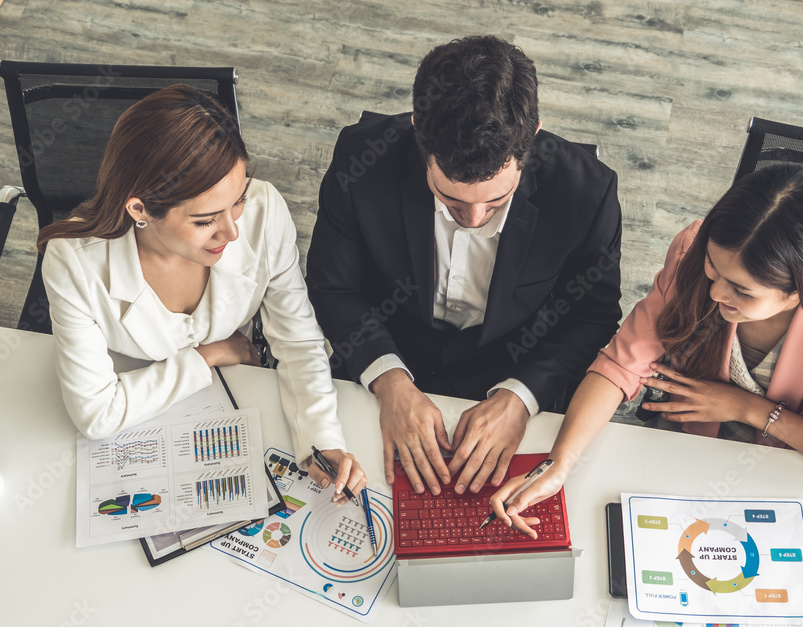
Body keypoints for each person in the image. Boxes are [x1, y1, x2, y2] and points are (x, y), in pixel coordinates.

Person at [492, 163, 803, 536]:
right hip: (690, 457)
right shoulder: (693, 250)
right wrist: (559, 463)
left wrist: (749, 409)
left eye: (741, 290)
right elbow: (621, 363)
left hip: (798, 474)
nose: (715, 293)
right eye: (713, 269)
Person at [305, 35, 623, 498]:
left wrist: (521, 397)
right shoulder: (361, 159)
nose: (473, 220)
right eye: (451, 198)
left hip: (516, 369)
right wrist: (389, 380)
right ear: (419, 132)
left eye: (496, 200)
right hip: (388, 355)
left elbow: (589, 317)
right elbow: (333, 288)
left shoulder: (587, 194)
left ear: (531, 136)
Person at [38, 84, 365, 501]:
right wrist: (206, 356)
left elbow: (298, 341)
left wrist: (323, 442)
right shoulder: (73, 261)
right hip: (142, 422)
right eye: (205, 220)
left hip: (224, 399)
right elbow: (96, 414)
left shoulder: (264, 213)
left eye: (238, 200)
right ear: (140, 210)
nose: (231, 231)